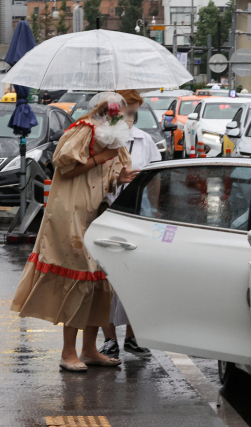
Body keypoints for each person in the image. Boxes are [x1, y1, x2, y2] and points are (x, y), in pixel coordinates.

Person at [11, 93, 138, 372]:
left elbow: (109, 175)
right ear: (106, 110)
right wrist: (100, 158)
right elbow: (64, 167)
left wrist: (120, 177)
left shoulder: (114, 137)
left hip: (97, 214)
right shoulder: (82, 130)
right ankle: (68, 351)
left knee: (98, 281)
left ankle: (89, 349)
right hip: (70, 215)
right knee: (80, 278)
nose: (126, 116)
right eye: (123, 110)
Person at [99, 89, 160, 359]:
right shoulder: (102, 138)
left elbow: (156, 180)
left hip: (138, 218)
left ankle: (133, 337)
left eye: (134, 110)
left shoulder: (144, 141)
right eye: (127, 109)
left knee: (137, 278)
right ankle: (109, 338)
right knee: (104, 279)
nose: (130, 115)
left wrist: (156, 213)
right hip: (105, 216)